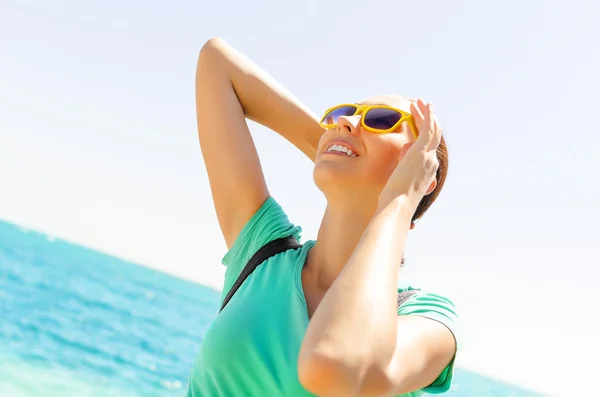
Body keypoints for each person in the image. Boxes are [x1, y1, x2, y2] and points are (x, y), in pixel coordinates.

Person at [187, 37, 460, 397]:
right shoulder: (264, 249)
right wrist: (335, 146)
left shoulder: (428, 319)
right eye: (341, 115)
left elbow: (334, 367)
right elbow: (216, 63)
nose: (345, 120)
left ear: (421, 175)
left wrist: (396, 201)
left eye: (382, 120)